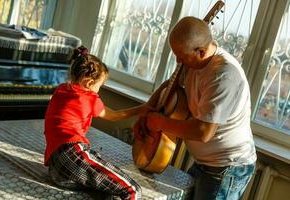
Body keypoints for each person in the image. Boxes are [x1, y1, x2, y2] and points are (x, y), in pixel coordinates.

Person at [142, 16, 257, 200]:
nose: (178, 61)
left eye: (181, 56)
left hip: (227, 168)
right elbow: (169, 84)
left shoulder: (224, 76)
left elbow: (203, 132)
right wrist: (148, 108)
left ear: (201, 52)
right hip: (205, 163)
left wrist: (160, 123)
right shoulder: (192, 62)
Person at [44, 46, 147, 200]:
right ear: (89, 82)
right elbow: (114, 116)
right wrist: (142, 109)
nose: (99, 90)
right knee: (132, 190)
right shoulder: (90, 97)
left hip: (55, 168)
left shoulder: (61, 90)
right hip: (72, 154)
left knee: (106, 191)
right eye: (100, 86)